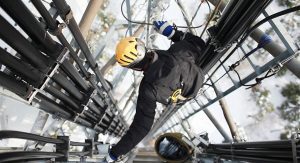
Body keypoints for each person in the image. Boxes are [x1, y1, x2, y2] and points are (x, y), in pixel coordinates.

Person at [106, 21, 206, 162]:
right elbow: (199, 44)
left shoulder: (147, 89)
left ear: (134, 67)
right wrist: (173, 34)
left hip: (183, 96)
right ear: (144, 48)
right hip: (198, 76)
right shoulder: (177, 52)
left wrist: (115, 153)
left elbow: (141, 128)